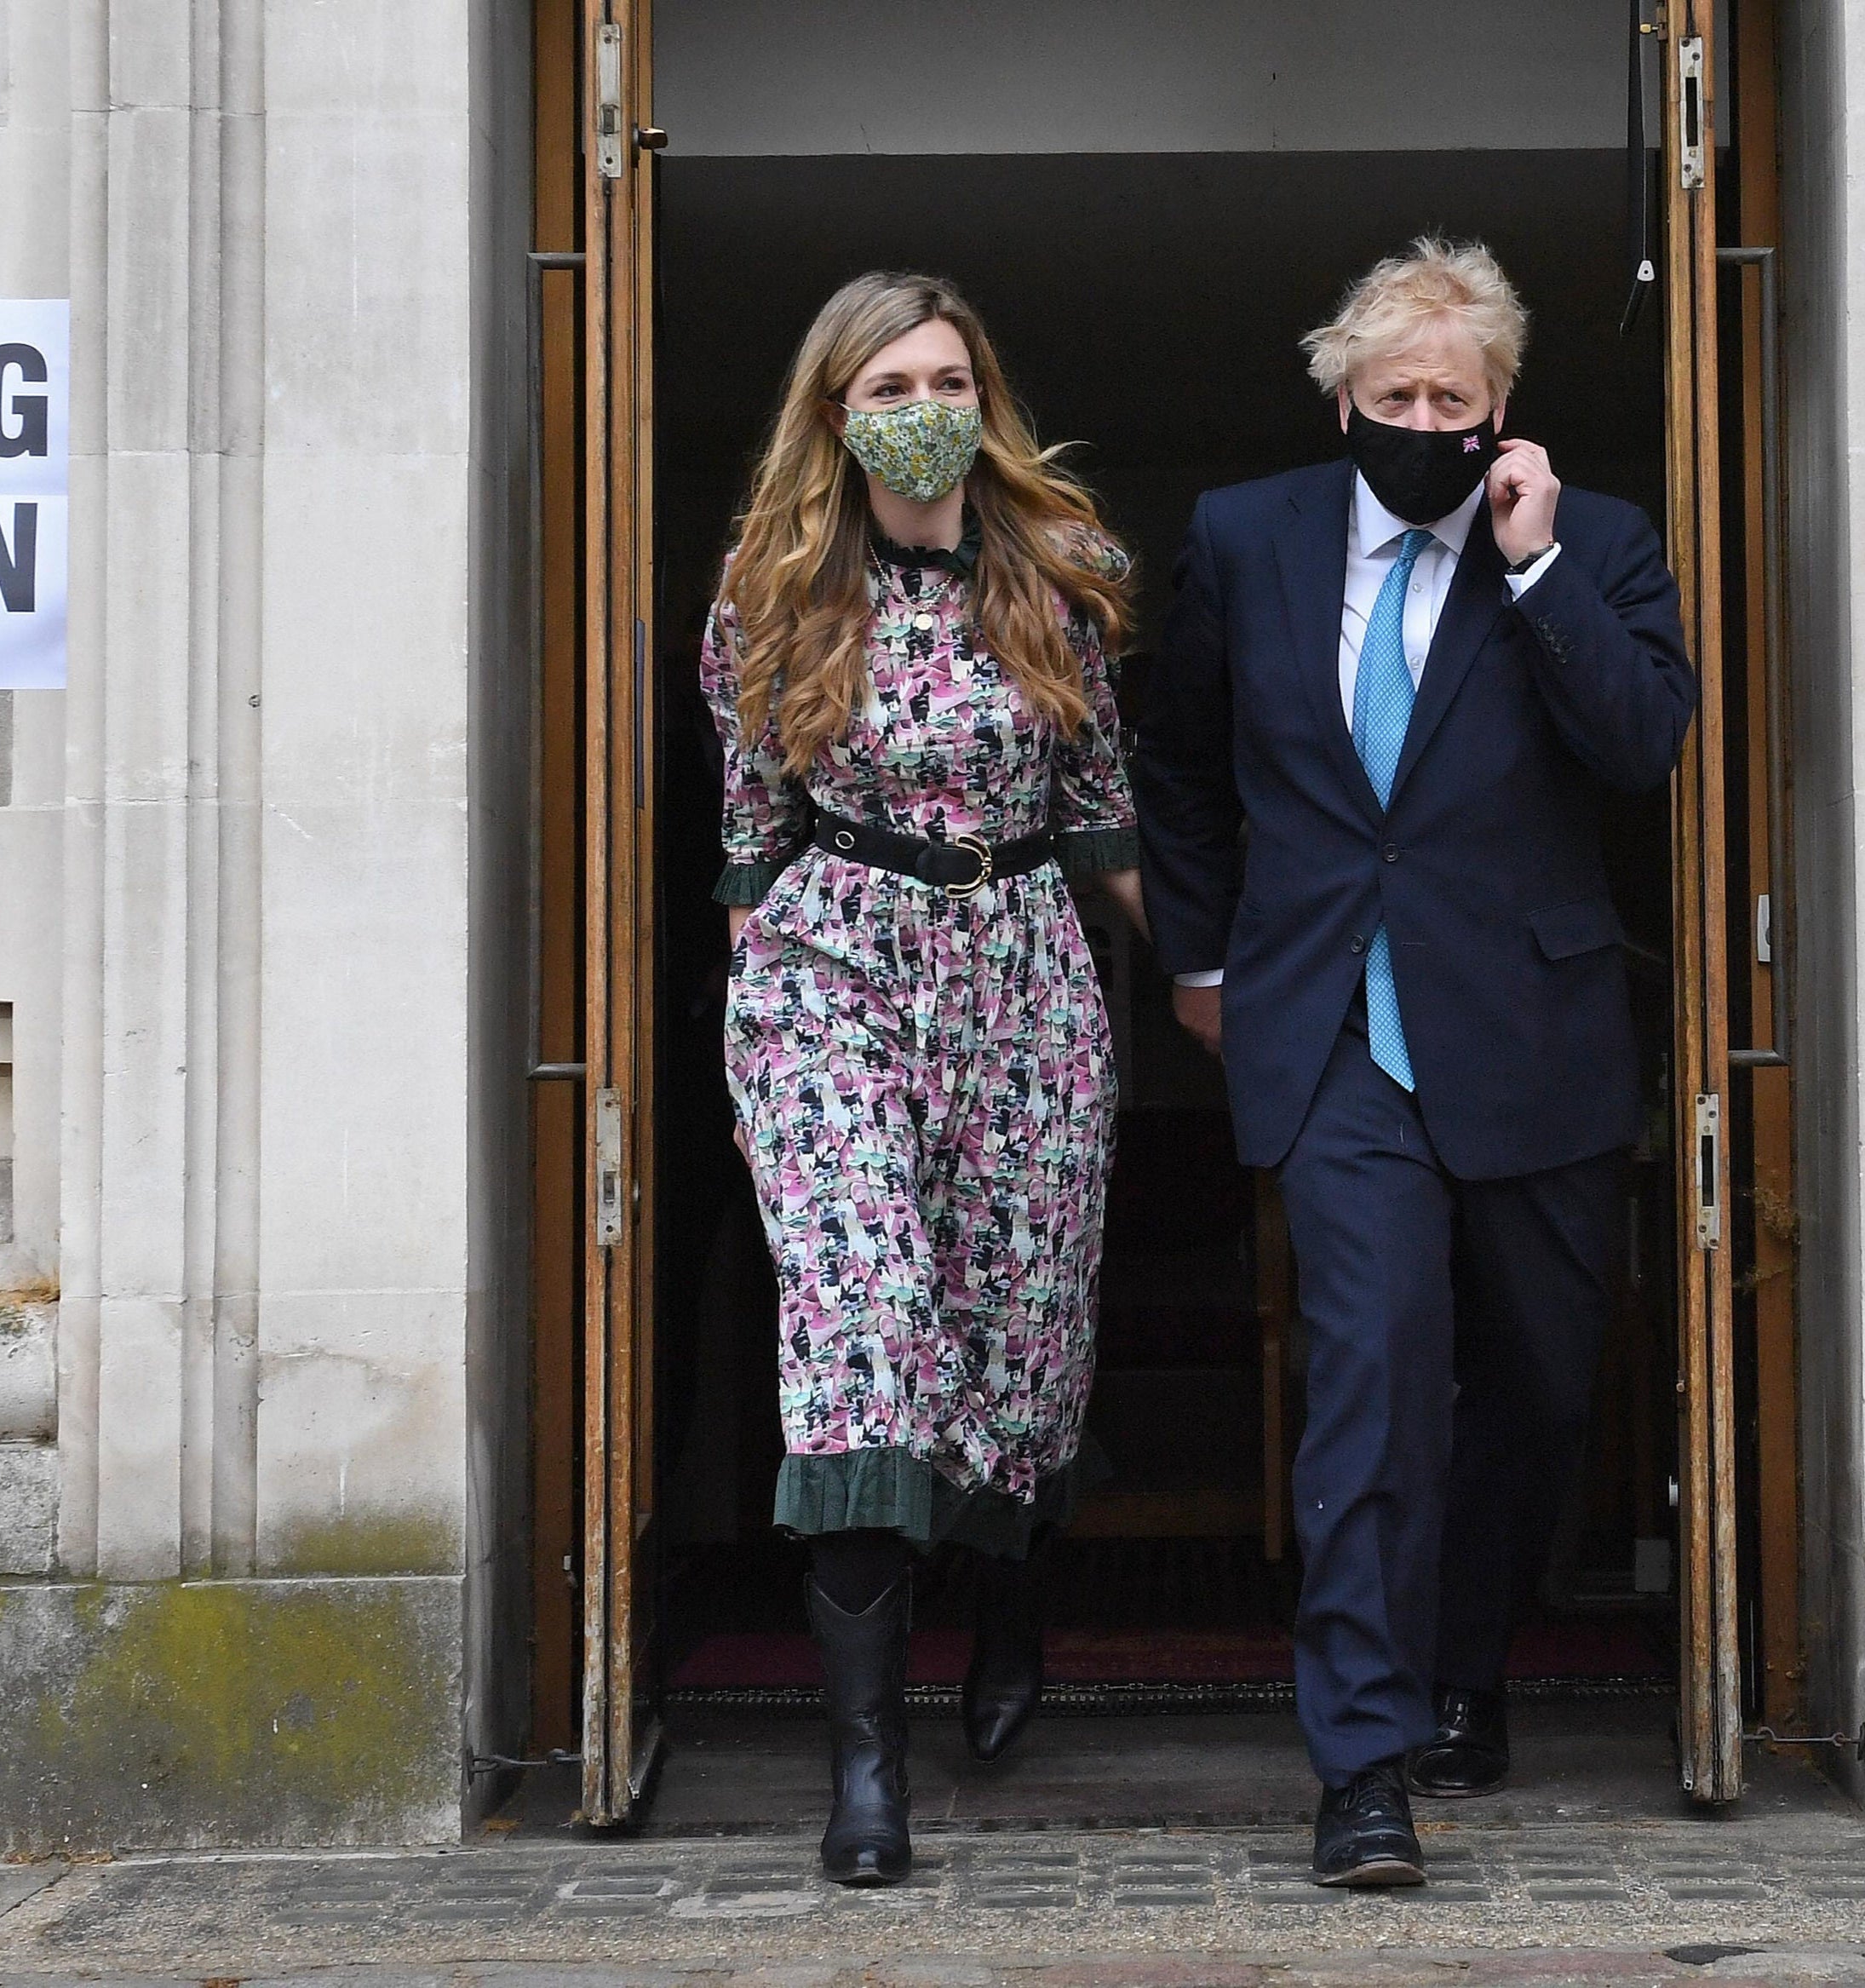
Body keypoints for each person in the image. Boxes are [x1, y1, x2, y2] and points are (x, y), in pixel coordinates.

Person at [1133, 239, 1696, 1886]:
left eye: (1455, 397)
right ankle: (1365, 1770)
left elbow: (1646, 744)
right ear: (1343, 398)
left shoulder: (1593, 543)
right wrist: (1207, 956)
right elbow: (1179, 761)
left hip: (1531, 1035)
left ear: (1502, 408)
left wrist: (1532, 572)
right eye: (1397, 394)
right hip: (1332, 1039)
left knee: (1531, 1385)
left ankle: (1468, 1664)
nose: (1425, 416)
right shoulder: (1251, 538)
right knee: (1371, 1384)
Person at [703, 270, 1146, 1886]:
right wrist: (765, 1020)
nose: (925, 405)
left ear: (986, 396)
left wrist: (1221, 987)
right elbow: (752, 837)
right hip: (833, 965)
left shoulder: (1065, 573)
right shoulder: (768, 595)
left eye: (950, 376)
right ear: (837, 411)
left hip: (1025, 971)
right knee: (865, 1335)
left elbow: (1106, 812)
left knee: (1019, 1343)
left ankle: (1012, 1586)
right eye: (890, 381)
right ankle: (866, 1776)